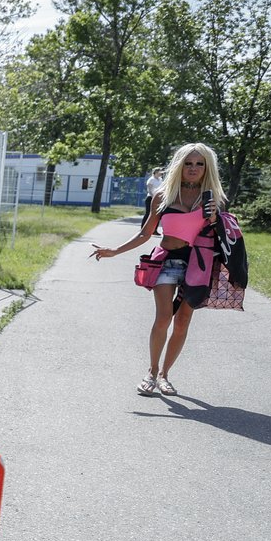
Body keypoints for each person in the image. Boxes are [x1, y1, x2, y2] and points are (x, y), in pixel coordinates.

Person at [90, 143, 226, 397]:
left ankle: (165, 375)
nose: (193, 168)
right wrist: (115, 251)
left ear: (207, 167)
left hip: (198, 264)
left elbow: (223, 236)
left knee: (183, 322)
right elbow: (146, 233)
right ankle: (151, 372)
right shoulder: (162, 196)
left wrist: (215, 219)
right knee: (164, 317)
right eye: (188, 163)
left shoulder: (213, 199)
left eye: (199, 164)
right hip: (167, 260)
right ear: (180, 165)